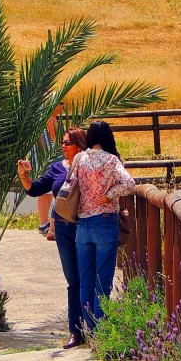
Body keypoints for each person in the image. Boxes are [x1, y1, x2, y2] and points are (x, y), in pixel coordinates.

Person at [17, 127, 88, 348]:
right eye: (63, 143)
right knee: (72, 280)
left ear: (79, 145)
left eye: (68, 143)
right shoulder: (57, 168)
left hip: (84, 226)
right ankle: (75, 331)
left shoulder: (87, 166)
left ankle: (94, 326)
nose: (63, 146)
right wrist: (23, 175)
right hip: (64, 231)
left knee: (88, 276)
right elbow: (35, 190)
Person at [72, 120, 135, 333]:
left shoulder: (80, 158)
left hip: (83, 223)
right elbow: (129, 184)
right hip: (105, 221)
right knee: (103, 280)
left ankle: (89, 327)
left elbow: (71, 184)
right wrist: (108, 195)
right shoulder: (111, 160)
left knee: (86, 280)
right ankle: (101, 331)